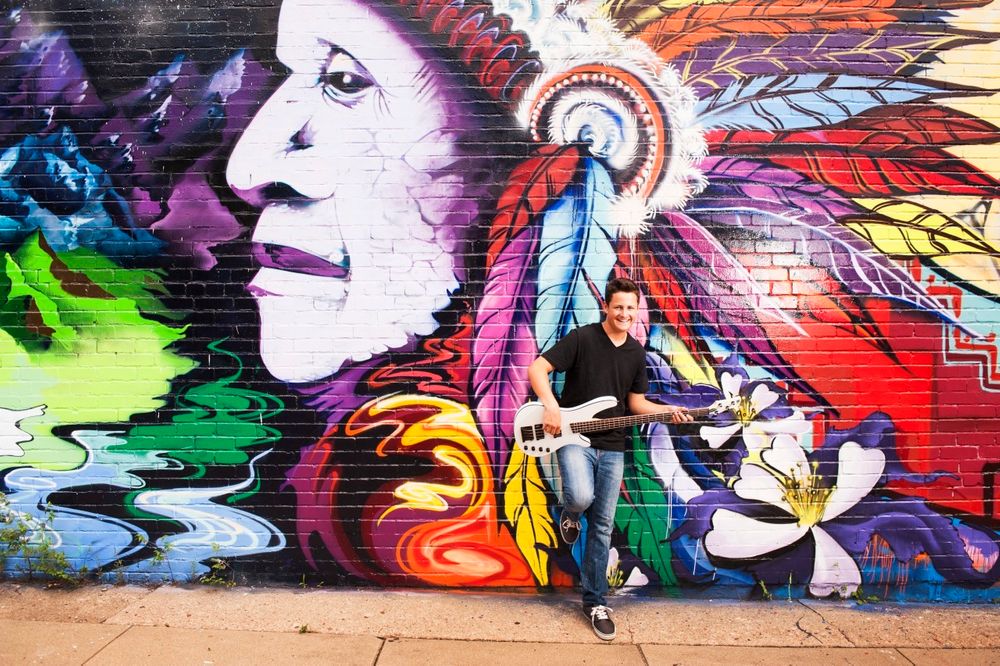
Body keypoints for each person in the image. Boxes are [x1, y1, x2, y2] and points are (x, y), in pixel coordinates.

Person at [528, 277, 692, 641]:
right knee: (581, 498)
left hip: (613, 445)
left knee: (602, 526)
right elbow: (538, 369)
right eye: (618, 307)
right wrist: (551, 405)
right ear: (606, 306)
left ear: (637, 310)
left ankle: (595, 601)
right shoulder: (583, 339)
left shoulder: (635, 353)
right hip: (574, 439)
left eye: (631, 308)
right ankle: (568, 514)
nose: (624, 314)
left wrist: (668, 411)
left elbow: (635, 403)